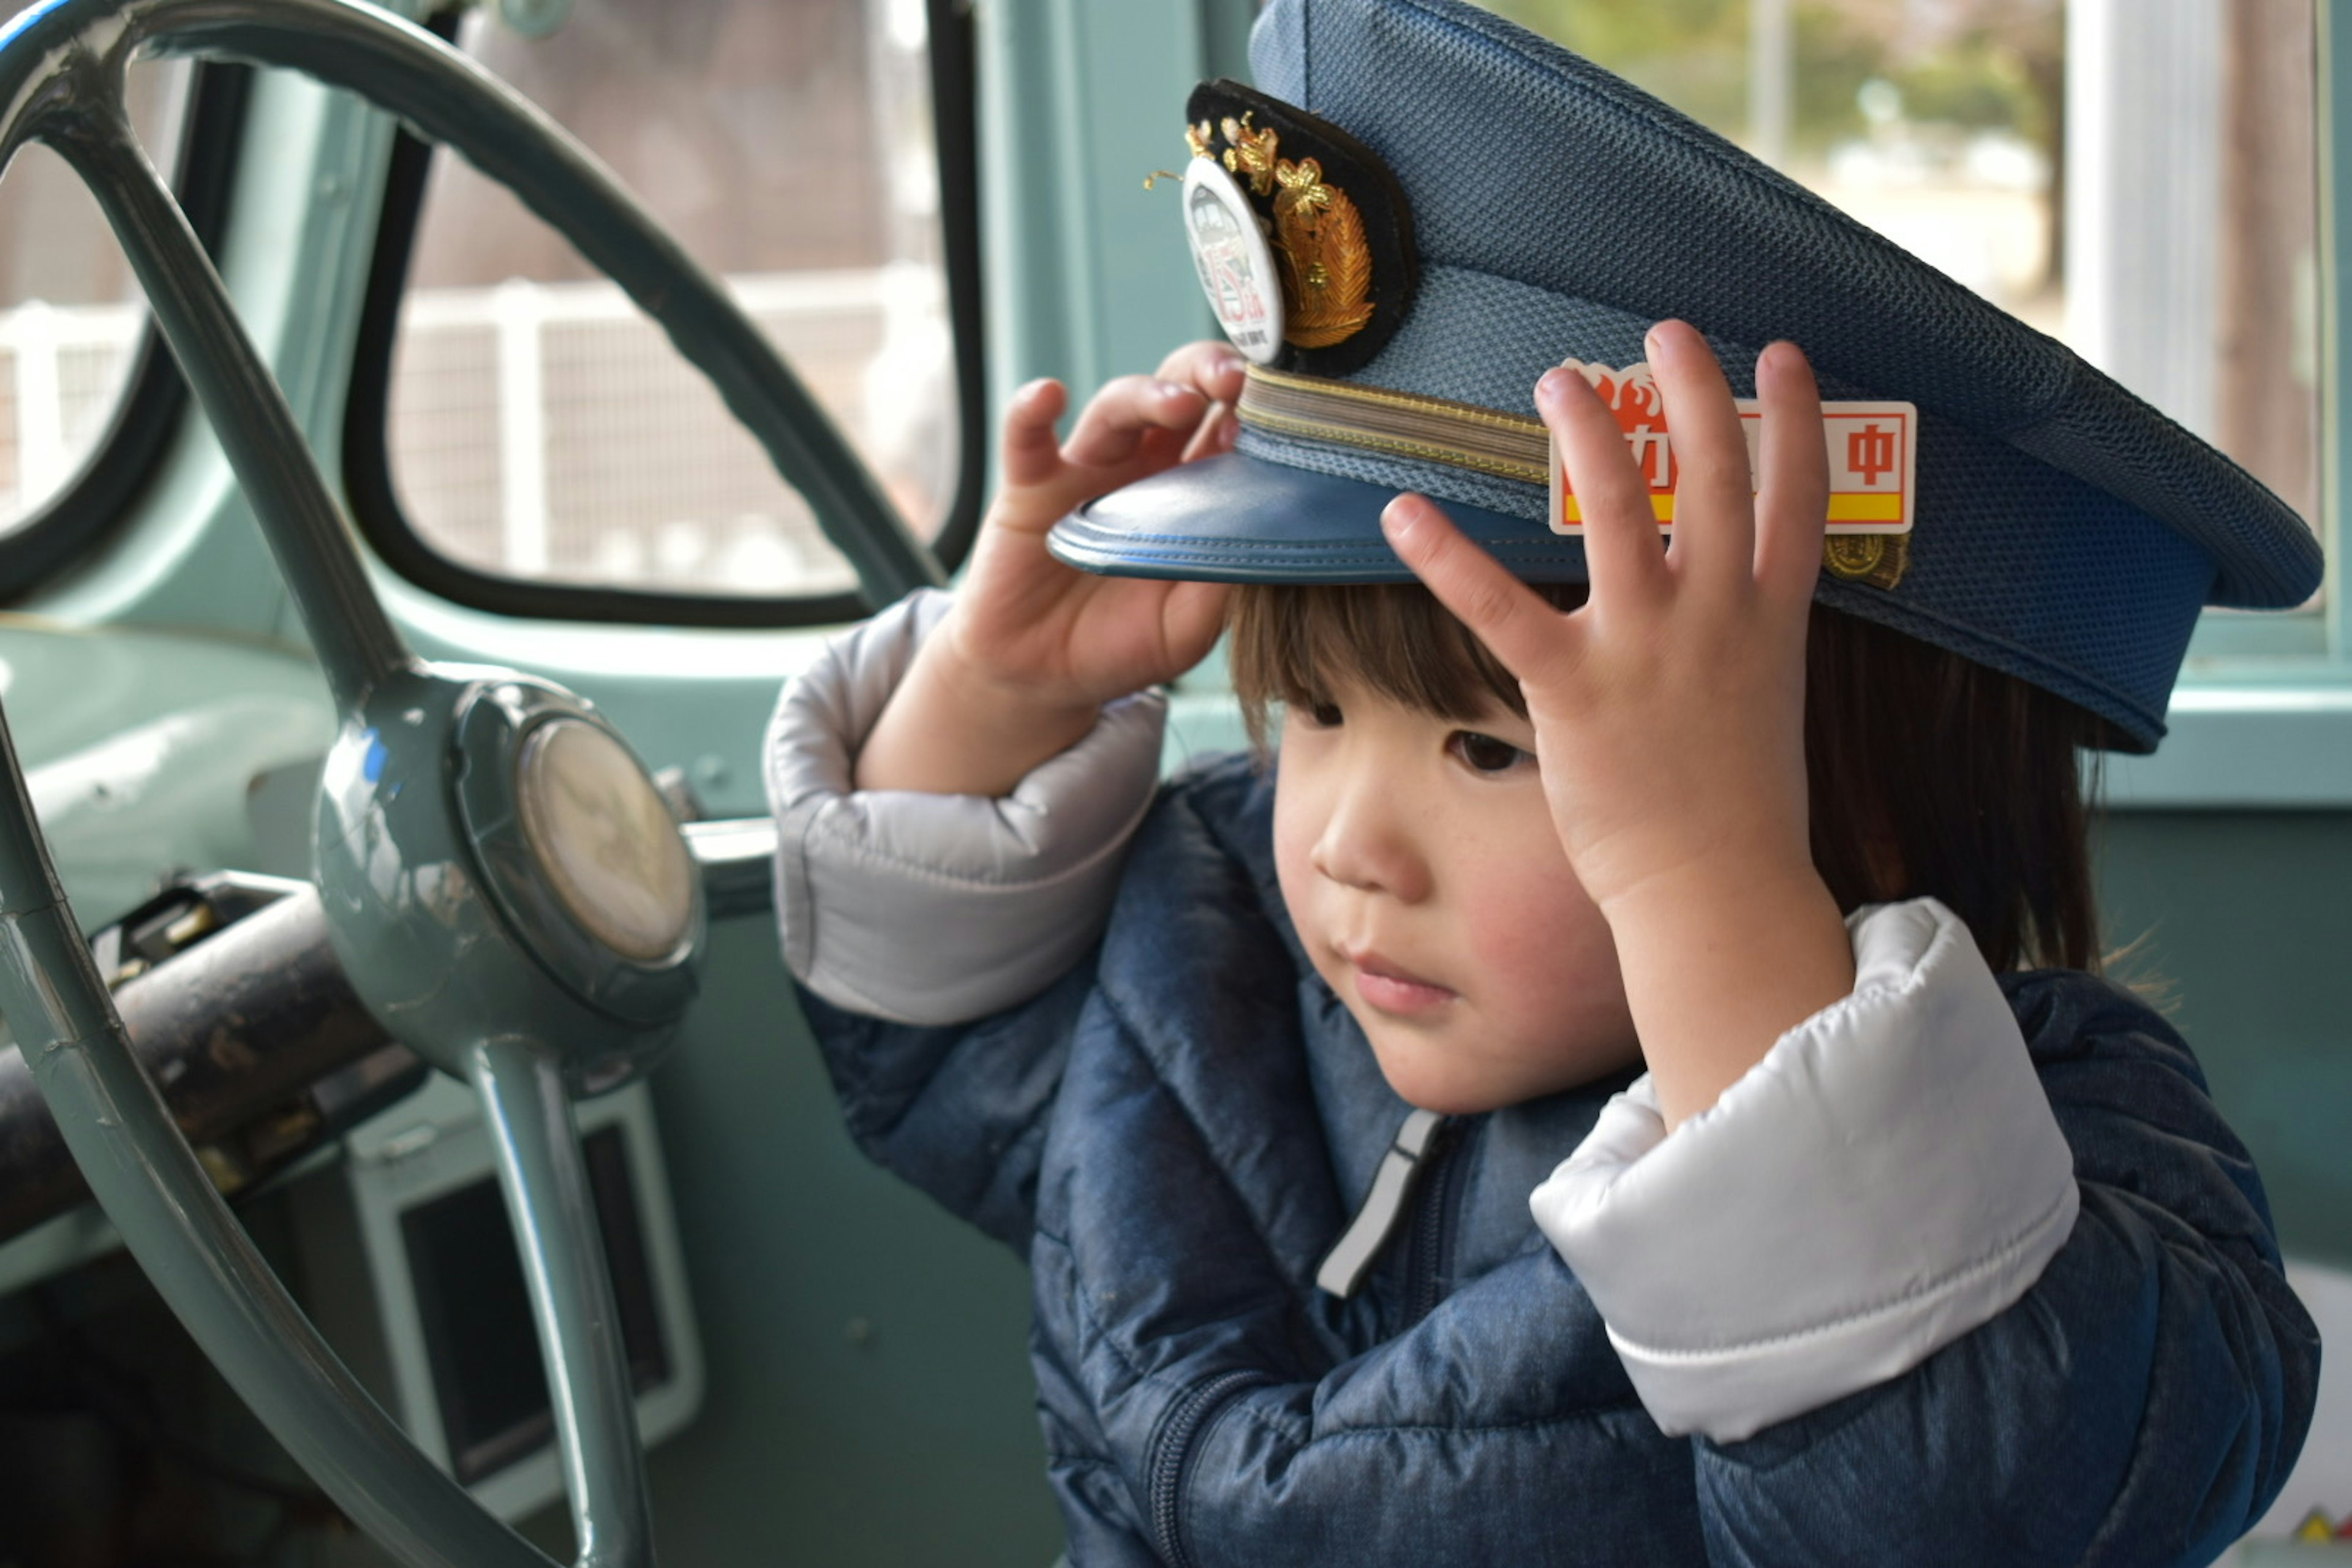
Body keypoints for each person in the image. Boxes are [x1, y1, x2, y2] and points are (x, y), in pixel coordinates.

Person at [764, 1, 2320, 1561]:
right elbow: (934, 1046)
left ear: (1845, 805)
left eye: (1492, 747)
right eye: (1310, 706)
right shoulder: (1213, 936)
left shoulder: (2075, 1150)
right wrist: (998, 683)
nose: (1352, 849)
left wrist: (1707, 893)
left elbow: (1973, 1494)